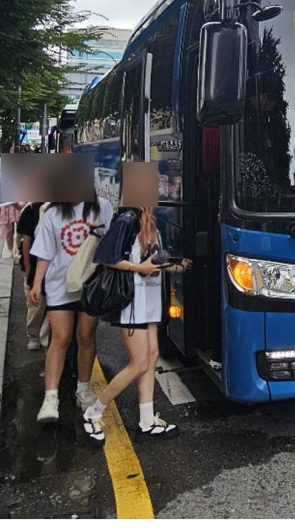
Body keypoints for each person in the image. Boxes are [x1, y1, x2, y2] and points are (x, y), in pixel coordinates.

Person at [82, 163, 191, 445]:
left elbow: (150, 262)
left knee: (151, 358)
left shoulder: (148, 221)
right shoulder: (126, 219)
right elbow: (106, 257)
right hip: (133, 303)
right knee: (138, 363)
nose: (159, 188)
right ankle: (93, 412)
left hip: (150, 302)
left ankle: (146, 420)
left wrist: (173, 267)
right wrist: (138, 268)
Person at [28, 189, 114, 424]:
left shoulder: (101, 206)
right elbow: (45, 253)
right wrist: (36, 284)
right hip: (60, 285)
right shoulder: (52, 213)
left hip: (91, 283)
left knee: (86, 336)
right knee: (61, 338)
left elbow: (109, 241)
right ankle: (50, 398)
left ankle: (83, 389)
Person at [16, 200, 48, 351]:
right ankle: (33, 335)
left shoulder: (62, 209)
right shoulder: (32, 209)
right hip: (35, 264)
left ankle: (45, 337)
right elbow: (26, 240)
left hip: (55, 268)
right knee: (36, 304)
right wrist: (27, 267)